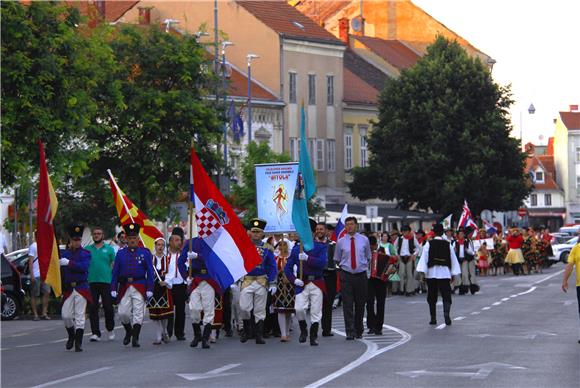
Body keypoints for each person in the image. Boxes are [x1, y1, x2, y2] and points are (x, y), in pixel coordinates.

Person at [111, 223, 154, 348]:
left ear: (138, 239)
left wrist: (150, 288)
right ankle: (129, 331)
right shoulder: (120, 253)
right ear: (126, 239)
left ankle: (135, 337)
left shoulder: (145, 252)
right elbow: (115, 272)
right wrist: (113, 288)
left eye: (134, 238)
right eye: (130, 238)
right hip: (124, 286)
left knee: (138, 313)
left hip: (140, 284)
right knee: (123, 313)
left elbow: (150, 272)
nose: (132, 240)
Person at [284, 219, 327, 346]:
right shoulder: (297, 249)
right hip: (302, 282)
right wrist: (293, 279)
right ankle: (303, 329)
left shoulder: (320, 247)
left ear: (313, 233)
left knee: (316, 311)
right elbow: (287, 268)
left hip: (317, 282)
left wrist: (308, 258)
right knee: (299, 309)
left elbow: (321, 264)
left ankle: (313, 336)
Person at [178, 235, 221, 350]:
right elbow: (181, 261)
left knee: (208, 310)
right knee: (194, 309)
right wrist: (186, 276)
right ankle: (197, 335)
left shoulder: (214, 241)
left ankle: (205, 338)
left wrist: (198, 256)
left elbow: (214, 259)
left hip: (209, 278)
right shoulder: (191, 242)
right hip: (195, 278)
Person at [239, 218, 277, 345]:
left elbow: (272, 266)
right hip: (246, 280)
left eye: (258, 232)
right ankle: (247, 330)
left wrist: (272, 282)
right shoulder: (243, 246)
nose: (255, 234)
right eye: (253, 231)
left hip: (261, 281)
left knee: (260, 310)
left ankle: (258, 334)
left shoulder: (267, 248)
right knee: (244, 308)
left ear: (262, 234)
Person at [334, 216, 371, 340]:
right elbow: (337, 259)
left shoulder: (364, 240)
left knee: (360, 304)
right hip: (346, 275)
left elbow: (368, 256)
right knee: (348, 305)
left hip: (361, 275)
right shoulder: (341, 242)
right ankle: (349, 331)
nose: (349, 226)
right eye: (347, 224)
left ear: (356, 225)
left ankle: (359, 329)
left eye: (351, 224)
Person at [417, 223, 461, 326]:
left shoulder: (429, 244)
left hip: (431, 273)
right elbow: (453, 259)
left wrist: (422, 272)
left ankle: (433, 318)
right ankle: (447, 315)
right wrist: (453, 273)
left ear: (434, 232)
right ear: (442, 233)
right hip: (444, 273)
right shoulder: (448, 244)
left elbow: (424, 258)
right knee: (446, 295)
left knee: (431, 296)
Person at [60, 224, 92, 351]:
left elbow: (83, 267)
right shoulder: (64, 253)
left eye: (78, 240)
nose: (77, 242)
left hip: (81, 287)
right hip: (68, 288)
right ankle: (71, 336)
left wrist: (69, 263)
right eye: (74, 240)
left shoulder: (86, 253)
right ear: (70, 240)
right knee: (66, 315)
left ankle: (78, 342)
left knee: (79, 316)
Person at [86, 226, 116, 342]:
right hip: (91, 281)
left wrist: (114, 280)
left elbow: (113, 265)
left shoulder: (109, 249)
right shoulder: (88, 249)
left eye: (99, 233)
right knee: (93, 307)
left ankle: (110, 329)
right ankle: (95, 333)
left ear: (102, 235)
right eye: (95, 234)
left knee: (108, 307)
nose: (96, 235)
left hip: (106, 281)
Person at [366, 236, 395, 335]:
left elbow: (392, 264)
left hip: (381, 280)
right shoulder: (363, 253)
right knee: (369, 302)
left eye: (372, 246)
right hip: (369, 280)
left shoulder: (383, 251)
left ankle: (379, 327)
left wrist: (390, 270)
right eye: (369, 247)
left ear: (376, 245)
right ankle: (371, 325)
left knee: (380, 303)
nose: (371, 248)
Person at [147, 238, 173, 345]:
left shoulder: (168, 259)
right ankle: (158, 336)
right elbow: (146, 273)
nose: (160, 247)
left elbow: (171, 273)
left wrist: (166, 282)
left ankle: (165, 331)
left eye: (162, 245)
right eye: (158, 245)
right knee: (155, 314)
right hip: (153, 288)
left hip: (164, 289)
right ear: (155, 245)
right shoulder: (150, 259)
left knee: (164, 314)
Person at [166, 227, 187, 341]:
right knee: (169, 309)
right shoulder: (165, 255)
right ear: (170, 241)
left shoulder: (184, 255)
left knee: (180, 309)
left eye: (180, 240)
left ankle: (180, 332)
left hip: (180, 284)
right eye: (177, 240)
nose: (179, 242)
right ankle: (168, 332)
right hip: (169, 285)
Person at [272, 240, 294, 342]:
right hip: (280, 285)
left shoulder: (291, 258)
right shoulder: (276, 258)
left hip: (290, 285)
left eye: (284, 245)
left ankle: (287, 332)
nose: (282, 247)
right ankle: (283, 334)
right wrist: (280, 271)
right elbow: (273, 271)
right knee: (281, 309)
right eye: (280, 245)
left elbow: (296, 269)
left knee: (289, 310)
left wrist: (290, 276)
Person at [561, 228, 580, 343]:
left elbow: (569, 265)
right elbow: (569, 266)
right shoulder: (576, 248)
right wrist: (564, 280)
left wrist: (565, 281)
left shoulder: (576, 248)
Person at [27, 233, 51, 320]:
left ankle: (44, 313)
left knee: (47, 292)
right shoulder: (33, 246)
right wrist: (32, 274)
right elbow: (30, 261)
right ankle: (35, 314)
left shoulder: (45, 246)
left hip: (45, 274)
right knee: (34, 295)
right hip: (36, 274)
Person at [321, 223, 337, 337]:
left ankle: (326, 329)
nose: (321, 231)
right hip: (318, 275)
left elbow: (338, 259)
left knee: (328, 302)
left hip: (331, 274)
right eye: (318, 229)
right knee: (317, 303)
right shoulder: (313, 244)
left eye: (323, 229)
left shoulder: (333, 244)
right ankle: (314, 328)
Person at [394, 225, 419, 296]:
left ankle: (409, 290)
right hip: (401, 257)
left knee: (409, 274)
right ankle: (401, 289)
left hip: (409, 257)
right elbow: (394, 247)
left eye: (406, 231)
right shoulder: (399, 238)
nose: (405, 232)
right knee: (401, 274)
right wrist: (397, 255)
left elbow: (418, 248)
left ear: (409, 231)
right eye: (403, 231)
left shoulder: (412, 238)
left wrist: (413, 255)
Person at [453, 227, 478, 295]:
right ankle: (459, 286)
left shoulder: (467, 241)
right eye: (459, 234)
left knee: (464, 273)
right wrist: (454, 251)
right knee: (458, 274)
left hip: (465, 259)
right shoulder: (455, 242)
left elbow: (472, 252)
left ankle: (465, 287)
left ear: (464, 234)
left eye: (462, 234)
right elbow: (452, 251)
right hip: (458, 260)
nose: (461, 235)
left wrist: (467, 250)